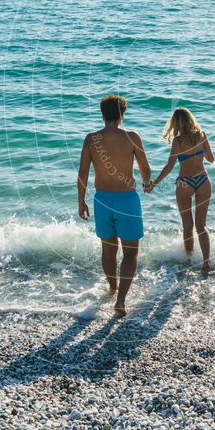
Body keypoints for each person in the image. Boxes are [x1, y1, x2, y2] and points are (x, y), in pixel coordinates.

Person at [77, 94, 152, 317]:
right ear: (122, 115)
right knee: (130, 254)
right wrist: (147, 183)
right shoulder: (132, 137)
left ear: (102, 115)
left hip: (102, 200)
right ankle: (120, 300)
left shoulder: (91, 139)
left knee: (108, 251)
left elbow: (82, 173)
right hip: (127, 200)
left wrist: (81, 201)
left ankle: (112, 288)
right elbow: (145, 169)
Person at [150, 107, 214, 270]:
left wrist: (154, 183)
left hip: (185, 182)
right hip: (203, 180)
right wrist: (200, 151)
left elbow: (170, 166)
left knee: (188, 225)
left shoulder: (178, 141)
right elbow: (211, 159)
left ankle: (189, 259)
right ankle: (207, 261)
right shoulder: (202, 135)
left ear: (176, 124)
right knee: (201, 226)